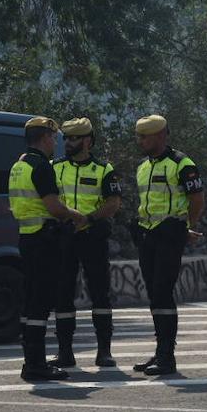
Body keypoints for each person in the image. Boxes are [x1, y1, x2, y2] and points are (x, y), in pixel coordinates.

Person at [8, 116, 85, 381]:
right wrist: (76, 215)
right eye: (53, 138)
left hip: (27, 238)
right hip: (44, 239)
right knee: (40, 304)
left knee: (30, 304)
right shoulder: (41, 167)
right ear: (44, 138)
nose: (55, 143)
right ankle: (37, 365)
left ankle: (30, 361)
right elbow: (54, 206)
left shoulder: (19, 165)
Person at [132, 115, 205, 376]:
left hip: (170, 233)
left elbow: (197, 199)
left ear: (161, 135)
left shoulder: (181, 164)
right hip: (147, 234)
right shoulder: (143, 166)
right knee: (154, 293)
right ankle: (160, 351)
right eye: (139, 136)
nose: (140, 141)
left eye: (145, 137)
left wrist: (188, 226)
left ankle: (167, 356)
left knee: (163, 292)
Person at [51, 117, 123, 368]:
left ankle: (104, 351)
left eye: (73, 138)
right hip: (64, 236)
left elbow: (113, 203)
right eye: (66, 138)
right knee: (62, 293)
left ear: (88, 141)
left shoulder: (104, 169)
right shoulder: (54, 167)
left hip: (92, 236)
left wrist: (89, 219)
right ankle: (65, 352)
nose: (68, 142)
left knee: (100, 293)